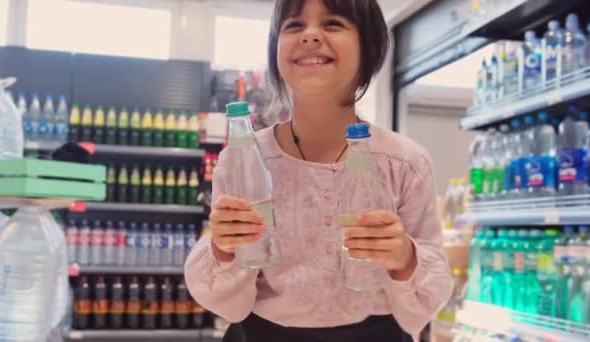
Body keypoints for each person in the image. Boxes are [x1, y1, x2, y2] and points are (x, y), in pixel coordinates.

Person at [185, 0, 453, 341]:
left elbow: (425, 300)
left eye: (333, 24)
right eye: (294, 26)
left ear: (368, 47)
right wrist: (223, 246)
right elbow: (227, 303)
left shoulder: (405, 163)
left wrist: (404, 256)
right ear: (275, 50)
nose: (310, 35)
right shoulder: (243, 159)